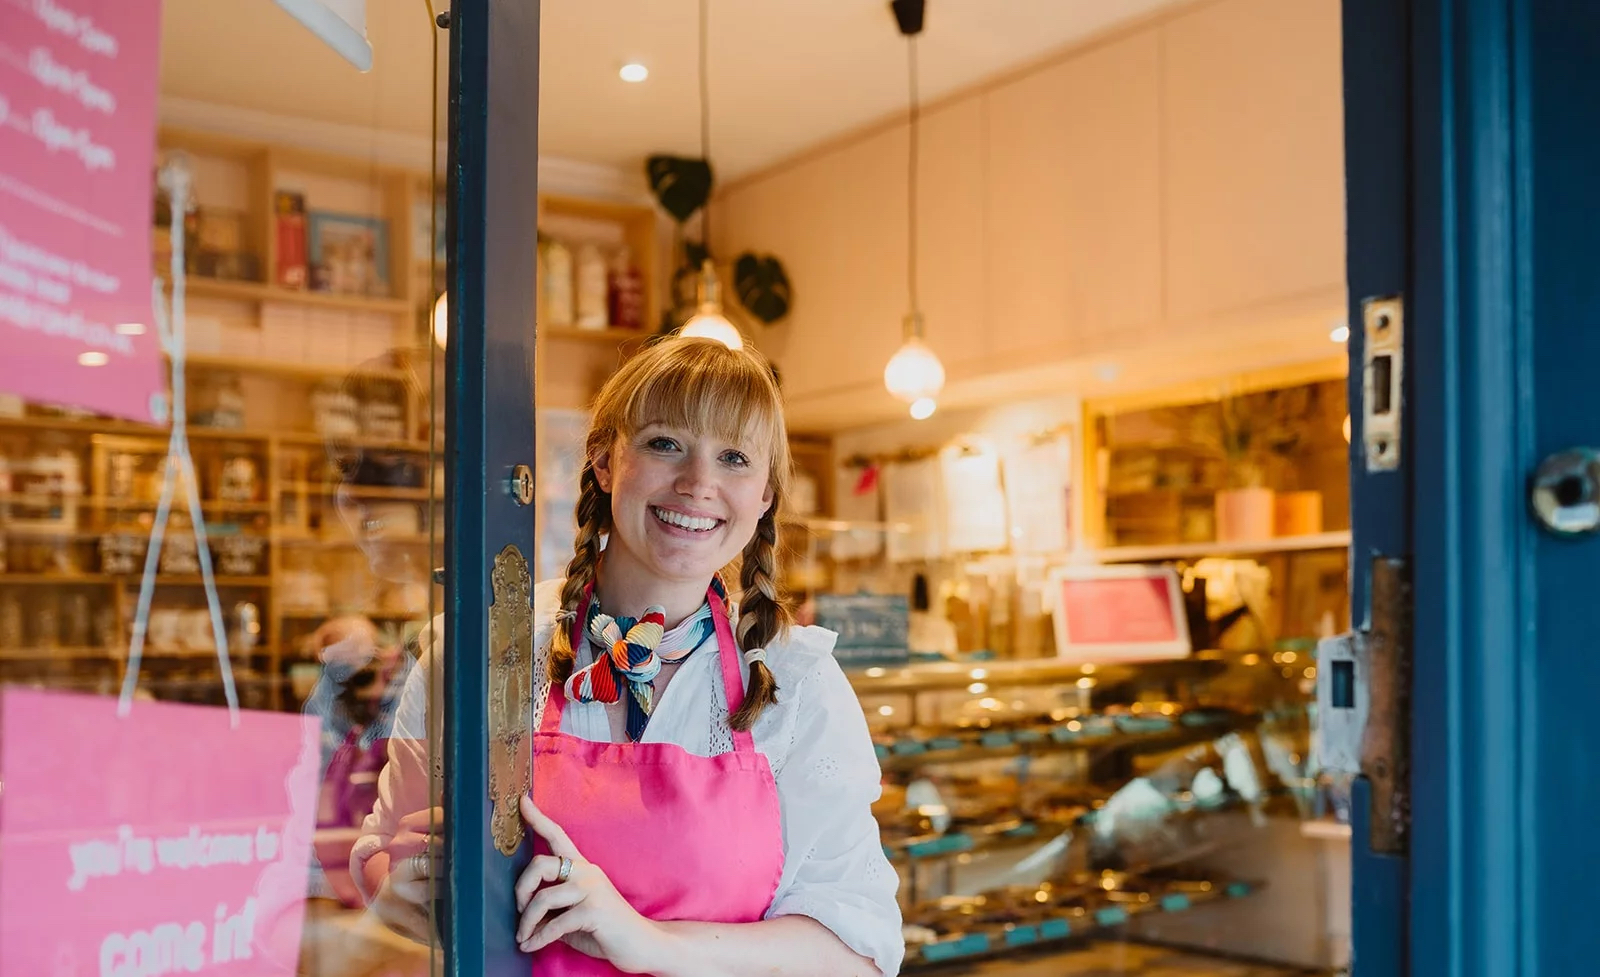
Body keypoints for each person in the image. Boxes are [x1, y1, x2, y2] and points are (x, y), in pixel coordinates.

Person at [354, 336, 904, 975]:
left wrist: (644, 940)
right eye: (665, 443)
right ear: (604, 461)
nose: (699, 484)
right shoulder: (478, 649)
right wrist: (399, 894)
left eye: (733, 458)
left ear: (766, 497)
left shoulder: (796, 682)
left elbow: (857, 952)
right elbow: (381, 854)